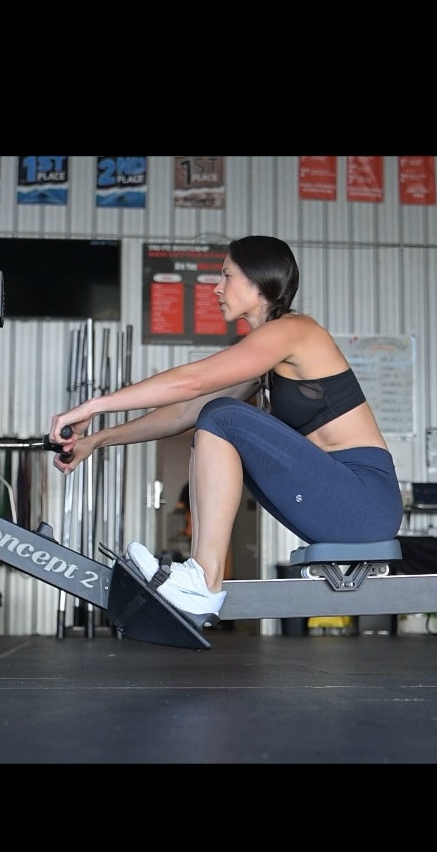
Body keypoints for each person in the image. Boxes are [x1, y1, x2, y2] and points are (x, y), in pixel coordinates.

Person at [48, 235, 403, 622]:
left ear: (257, 280)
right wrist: (97, 439)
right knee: (213, 420)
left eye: (226, 275)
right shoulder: (267, 360)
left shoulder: (296, 331)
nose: (216, 287)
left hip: (365, 501)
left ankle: (204, 579)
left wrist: (93, 405)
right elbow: (184, 410)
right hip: (336, 503)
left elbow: (195, 381)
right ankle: (198, 578)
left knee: (223, 415)